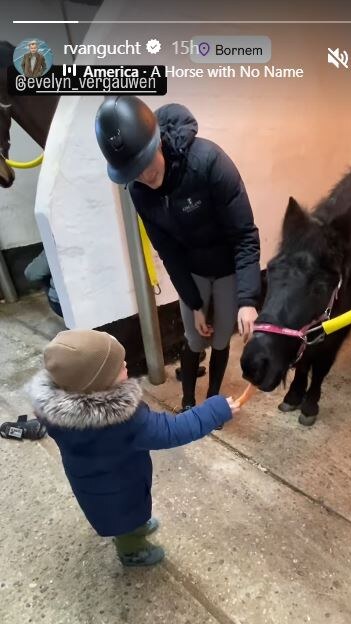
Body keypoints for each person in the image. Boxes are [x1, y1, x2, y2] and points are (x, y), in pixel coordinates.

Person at [95, 96, 261, 411]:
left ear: (157, 141)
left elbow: (244, 236)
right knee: (194, 337)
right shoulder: (139, 192)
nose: (143, 175)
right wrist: (194, 303)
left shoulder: (209, 162)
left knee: (222, 338)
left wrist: (248, 300)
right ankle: (187, 402)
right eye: (133, 170)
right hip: (193, 270)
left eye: (144, 162)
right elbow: (168, 251)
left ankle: (213, 401)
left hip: (227, 267)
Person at [29, 329, 239, 567]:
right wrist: (215, 410)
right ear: (98, 385)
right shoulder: (122, 421)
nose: (126, 364)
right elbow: (172, 430)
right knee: (127, 522)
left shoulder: (55, 413)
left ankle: (133, 527)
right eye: (118, 367)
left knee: (122, 515)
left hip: (92, 483)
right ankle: (131, 551)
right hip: (121, 489)